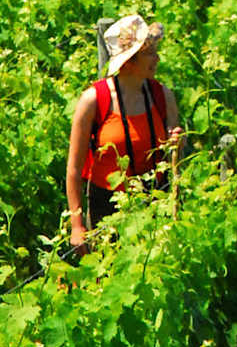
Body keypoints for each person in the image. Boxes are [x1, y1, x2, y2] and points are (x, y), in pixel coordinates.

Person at [65, 13, 182, 252]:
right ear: (129, 62)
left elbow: (174, 162)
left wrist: (177, 144)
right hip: (107, 207)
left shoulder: (163, 96)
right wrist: (77, 225)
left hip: (154, 202)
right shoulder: (94, 100)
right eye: (149, 53)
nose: (157, 58)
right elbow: (74, 169)